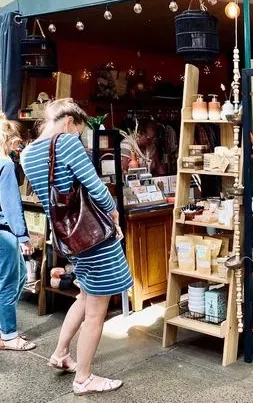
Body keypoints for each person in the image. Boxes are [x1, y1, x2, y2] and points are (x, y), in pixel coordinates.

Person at [21, 98, 132, 396]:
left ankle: (60, 353)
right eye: (78, 131)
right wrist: (113, 212)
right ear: (69, 122)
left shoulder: (27, 154)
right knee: (97, 309)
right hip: (93, 236)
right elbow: (95, 185)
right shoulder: (66, 144)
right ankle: (83, 378)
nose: (77, 137)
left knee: (85, 296)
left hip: (67, 237)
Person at [0, 114, 35, 351]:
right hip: (4, 231)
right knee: (10, 282)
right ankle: (9, 335)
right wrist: (22, 236)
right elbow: (11, 203)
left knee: (18, 275)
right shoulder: (6, 164)